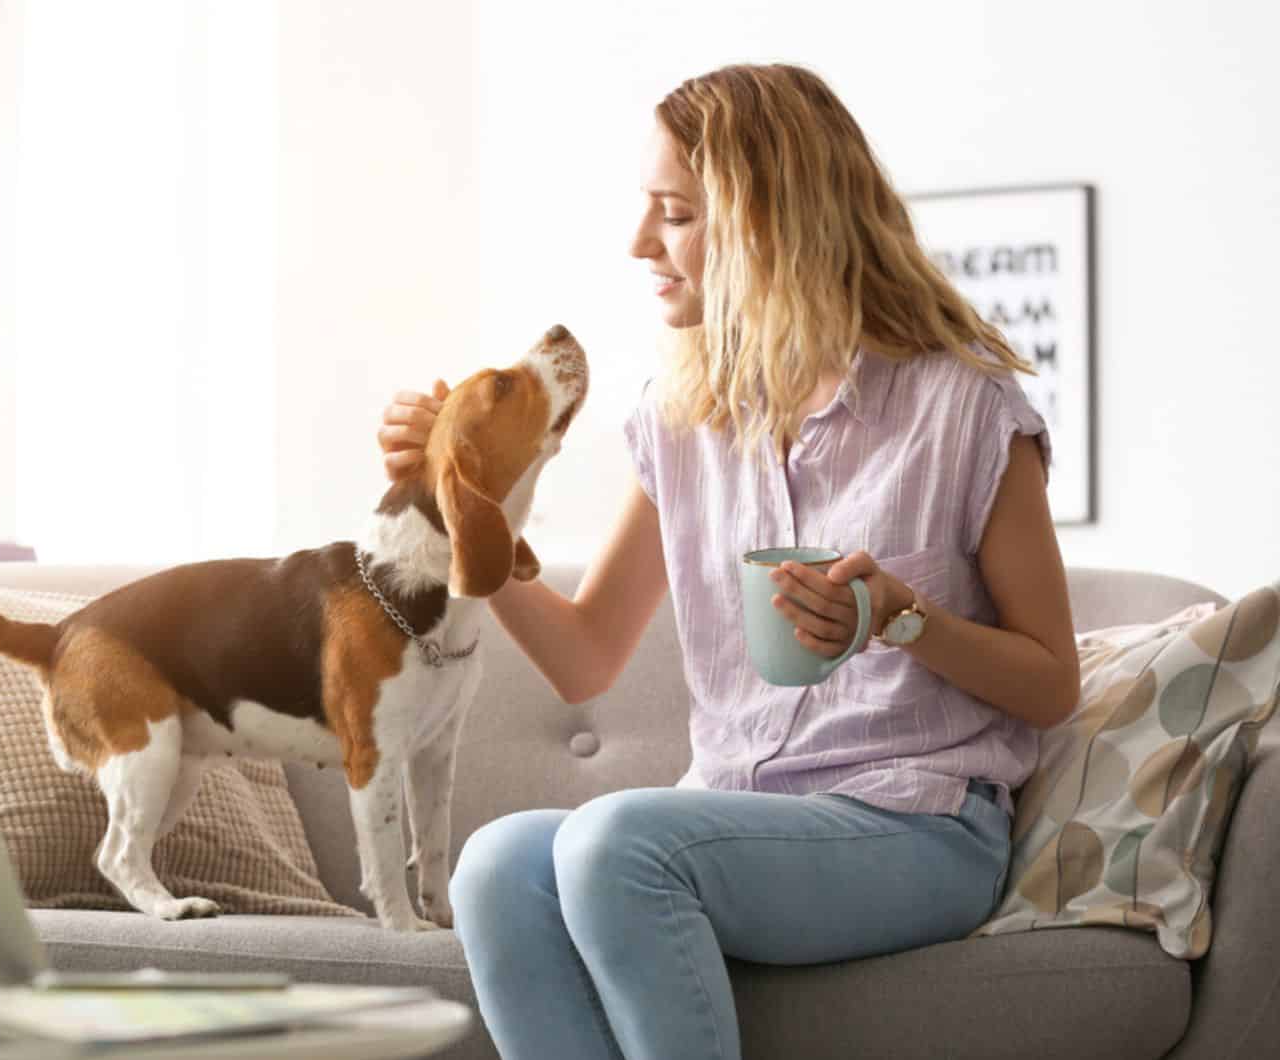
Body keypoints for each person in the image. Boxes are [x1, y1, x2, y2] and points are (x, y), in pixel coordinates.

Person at [377, 62, 1080, 1060]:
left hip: (919, 825)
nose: (639, 245)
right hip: (737, 813)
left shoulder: (960, 411)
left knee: (615, 844)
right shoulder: (683, 419)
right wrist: (468, 510)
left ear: (767, 223)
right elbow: (584, 657)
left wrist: (899, 618)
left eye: (674, 214)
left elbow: (1052, 682)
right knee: (495, 865)